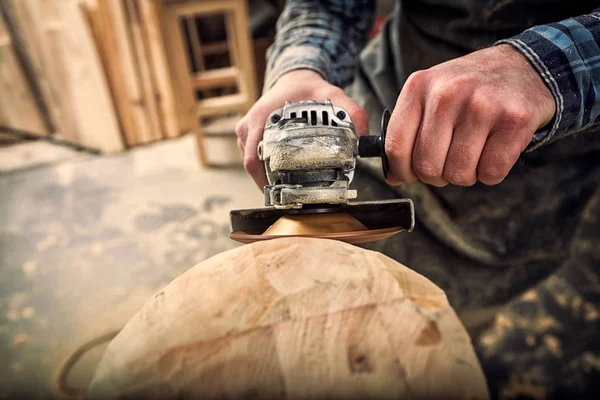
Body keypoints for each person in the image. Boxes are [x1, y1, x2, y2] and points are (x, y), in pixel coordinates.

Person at [235, 1, 600, 397]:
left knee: (440, 348)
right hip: (386, 99)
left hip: (533, 180)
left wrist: (547, 69)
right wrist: (299, 68)